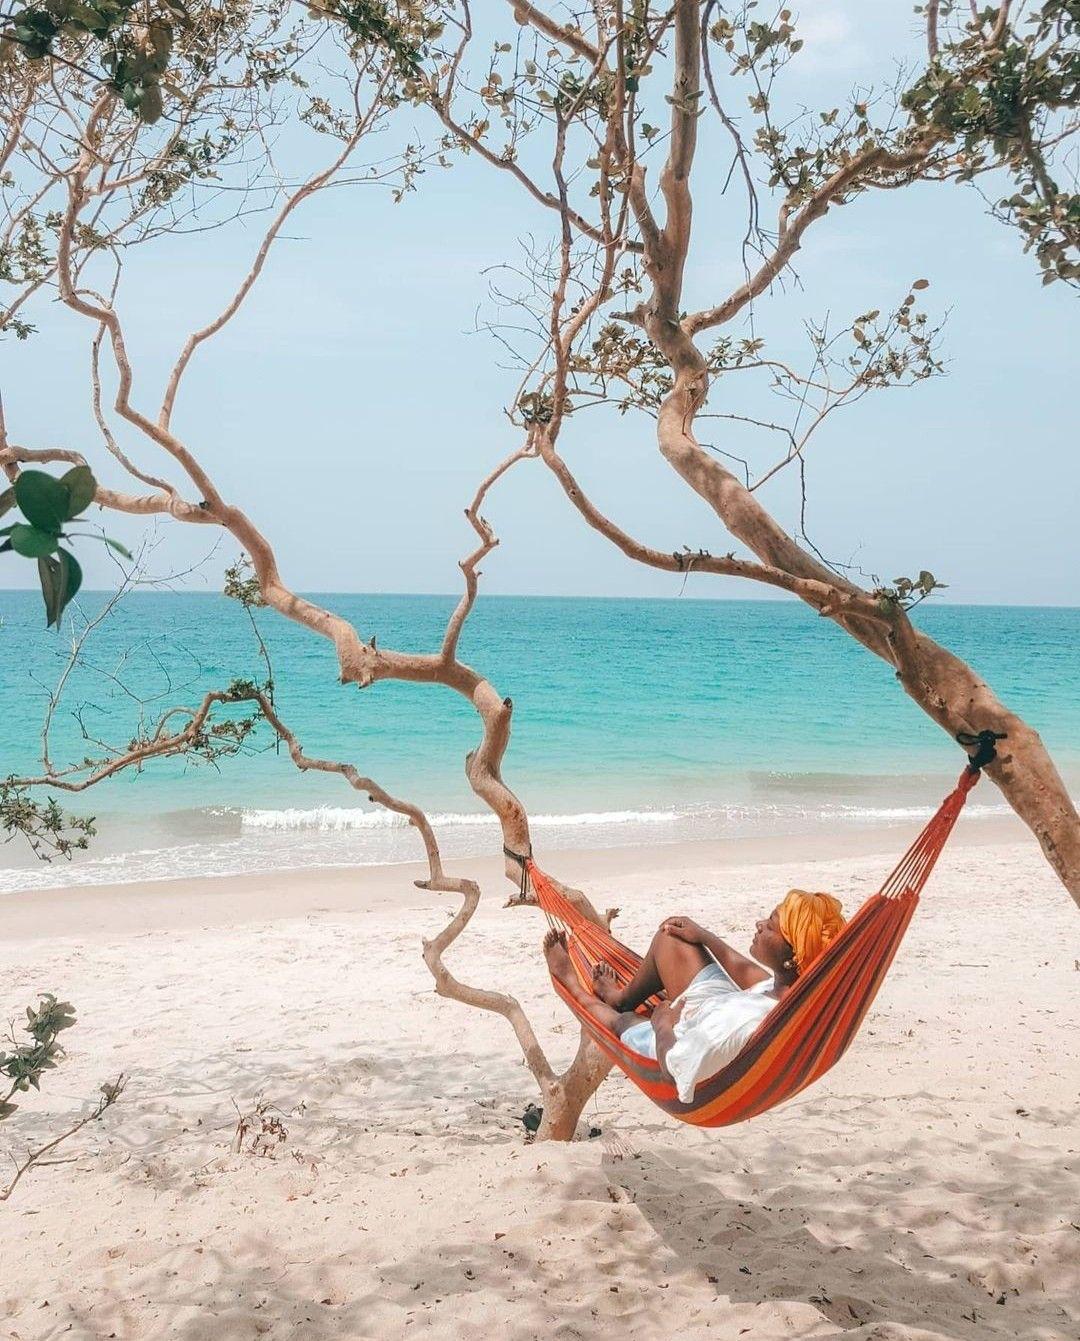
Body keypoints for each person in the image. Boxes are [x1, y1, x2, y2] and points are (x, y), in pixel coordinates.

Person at [543, 889, 845, 1104]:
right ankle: (621, 997)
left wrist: (662, 1024)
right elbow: (757, 981)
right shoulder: (792, 994)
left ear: (792, 958)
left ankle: (575, 986)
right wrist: (704, 937)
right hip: (718, 1006)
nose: (759, 924)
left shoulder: (742, 1029)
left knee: (624, 1021)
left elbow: (675, 1070)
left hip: (682, 1035)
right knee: (671, 936)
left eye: (771, 925)